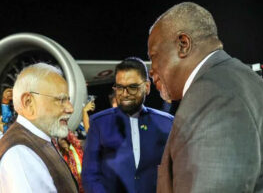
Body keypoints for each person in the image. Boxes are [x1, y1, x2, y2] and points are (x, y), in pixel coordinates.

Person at [148, 2, 263, 193]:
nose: (151, 70)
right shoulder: (244, 80)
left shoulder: (210, 95)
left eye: (154, 56)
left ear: (183, 44)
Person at [82, 57, 174, 193]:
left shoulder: (167, 123)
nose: (125, 94)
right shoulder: (99, 123)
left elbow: (177, 172)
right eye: (119, 87)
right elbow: (90, 175)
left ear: (147, 87)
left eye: (132, 87)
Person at [0, 63, 78, 193]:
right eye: (61, 100)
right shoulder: (20, 155)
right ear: (28, 102)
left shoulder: (36, 140)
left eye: (68, 100)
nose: (70, 108)